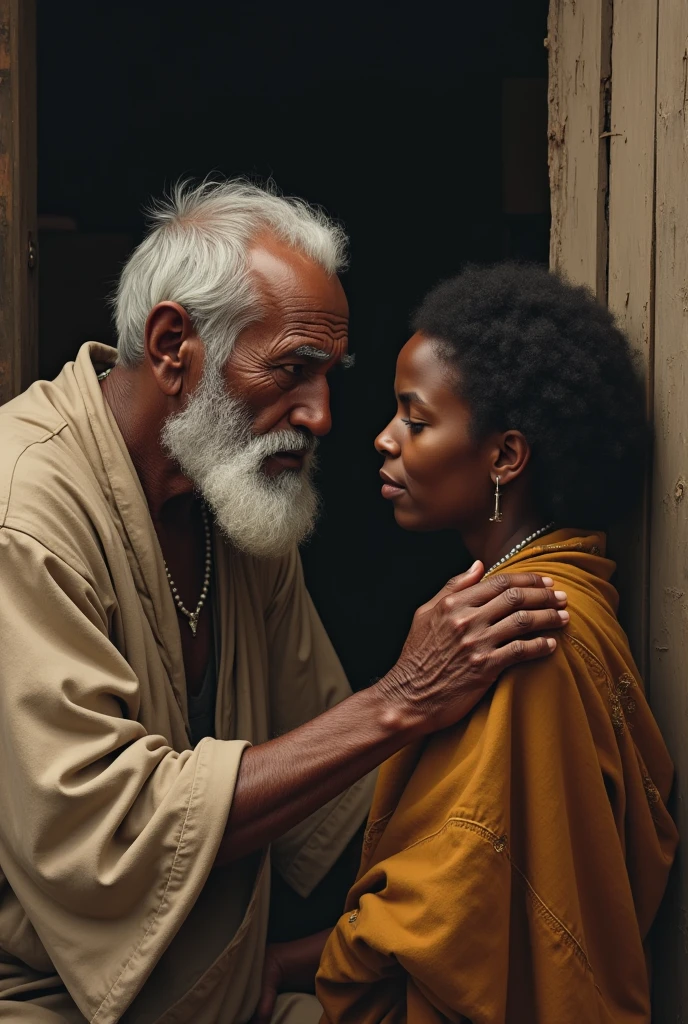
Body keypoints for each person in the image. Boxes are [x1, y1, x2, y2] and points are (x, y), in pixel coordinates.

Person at [0, 184, 568, 1024]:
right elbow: (108, 839)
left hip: (229, 994)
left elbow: (338, 802)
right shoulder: (23, 514)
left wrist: (520, 788)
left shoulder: (231, 500)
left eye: (329, 376)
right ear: (171, 347)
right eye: (292, 369)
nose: (323, 414)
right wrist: (404, 699)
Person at [316, 263, 678, 1024]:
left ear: (506, 457)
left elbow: (446, 924)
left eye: (415, 421)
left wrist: (341, 951)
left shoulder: (525, 633)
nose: (383, 440)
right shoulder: (552, 591)